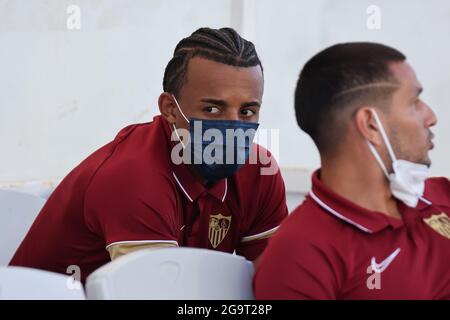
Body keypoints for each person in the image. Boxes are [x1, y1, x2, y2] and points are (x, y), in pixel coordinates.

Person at [10, 27, 288, 282]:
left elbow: (276, 281)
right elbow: (158, 292)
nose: (233, 125)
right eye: (212, 110)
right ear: (169, 108)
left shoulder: (258, 171)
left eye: (247, 112)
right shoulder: (134, 176)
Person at [254, 42, 450, 299]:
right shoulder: (300, 254)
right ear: (371, 124)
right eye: (414, 102)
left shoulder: (441, 196)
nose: (431, 116)